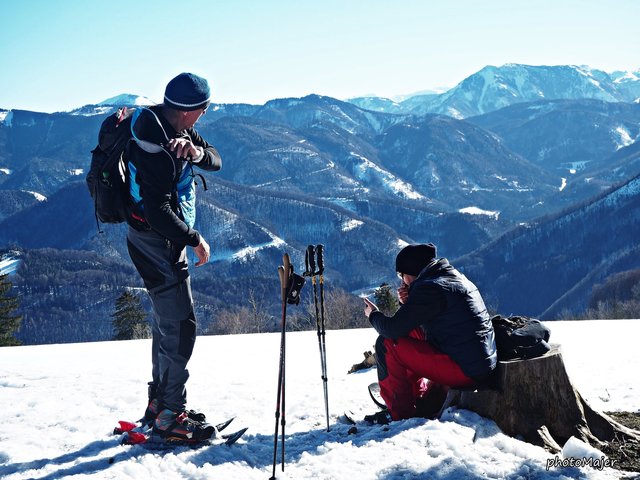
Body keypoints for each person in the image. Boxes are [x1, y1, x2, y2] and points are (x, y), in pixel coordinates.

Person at [125, 72, 222, 442]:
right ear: (190, 111)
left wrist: (195, 152)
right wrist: (194, 239)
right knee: (182, 326)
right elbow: (157, 212)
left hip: (150, 241)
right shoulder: (158, 151)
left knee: (166, 323)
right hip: (158, 243)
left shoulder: (170, 125)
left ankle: (159, 403)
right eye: (205, 108)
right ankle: (170, 415)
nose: (205, 114)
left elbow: (215, 160)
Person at [363, 243, 497, 424]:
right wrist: (409, 303)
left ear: (411, 270)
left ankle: (401, 415)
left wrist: (374, 315)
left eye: (401, 274)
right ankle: (416, 399)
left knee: (387, 344)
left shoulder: (431, 288)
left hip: (464, 367)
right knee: (408, 334)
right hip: (475, 359)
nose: (402, 280)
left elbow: (392, 329)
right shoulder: (447, 277)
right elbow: (432, 320)